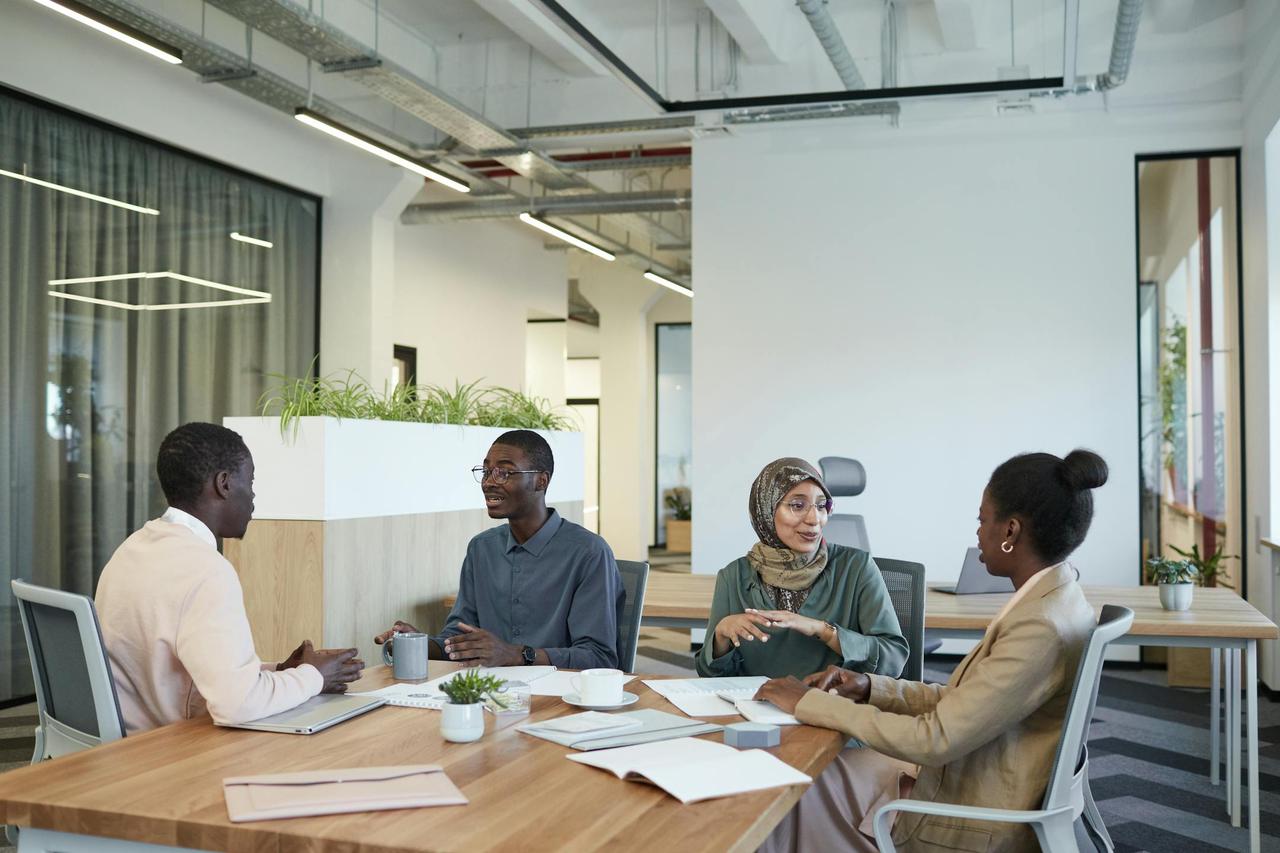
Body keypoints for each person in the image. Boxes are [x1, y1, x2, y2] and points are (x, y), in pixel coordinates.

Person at [754, 449, 1108, 853]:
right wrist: (870, 686)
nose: (977, 533)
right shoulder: (1059, 598)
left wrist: (808, 703)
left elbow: (934, 739)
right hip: (982, 771)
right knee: (818, 774)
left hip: (971, 815)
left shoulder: (1039, 626)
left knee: (789, 792)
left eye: (982, 519)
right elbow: (964, 704)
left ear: (1010, 531)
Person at [95, 422, 363, 733]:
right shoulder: (206, 570)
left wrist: (280, 671)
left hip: (125, 742)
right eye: (249, 481)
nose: (252, 496)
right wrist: (315, 677)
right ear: (224, 483)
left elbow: (191, 677)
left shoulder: (133, 548)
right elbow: (236, 706)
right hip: (169, 752)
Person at [375, 429, 623, 669]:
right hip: (490, 695)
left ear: (541, 480)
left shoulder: (588, 552)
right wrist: (418, 644)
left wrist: (517, 655)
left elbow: (598, 657)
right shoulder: (481, 549)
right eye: (486, 471)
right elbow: (459, 638)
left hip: (561, 697)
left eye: (504, 472)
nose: (489, 482)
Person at [697, 457, 907, 681]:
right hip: (757, 708)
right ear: (766, 510)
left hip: (831, 707)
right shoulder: (733, 576)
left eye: (821, 505)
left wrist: (822, 630)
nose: (814, 518)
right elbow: (709, 675)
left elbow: (892, 658)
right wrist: (720, 636)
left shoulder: (856, 567)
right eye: (797, 505)